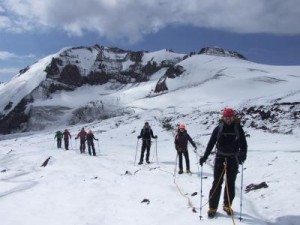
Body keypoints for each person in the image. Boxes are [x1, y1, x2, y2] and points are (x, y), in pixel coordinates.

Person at [199, 108, 248, 218]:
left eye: (230, 117)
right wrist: (205, 157)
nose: (228, 119)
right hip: (220, 158)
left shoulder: (238, 129)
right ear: (223, 117)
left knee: (230, 183)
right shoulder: (218, 129)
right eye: (226, 117)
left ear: (233, 117)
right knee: (217, 182)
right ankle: (212, 207)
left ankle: (227, 205)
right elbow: (211, 143)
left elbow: (243, 144)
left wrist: (242, 155)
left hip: (232, 159)